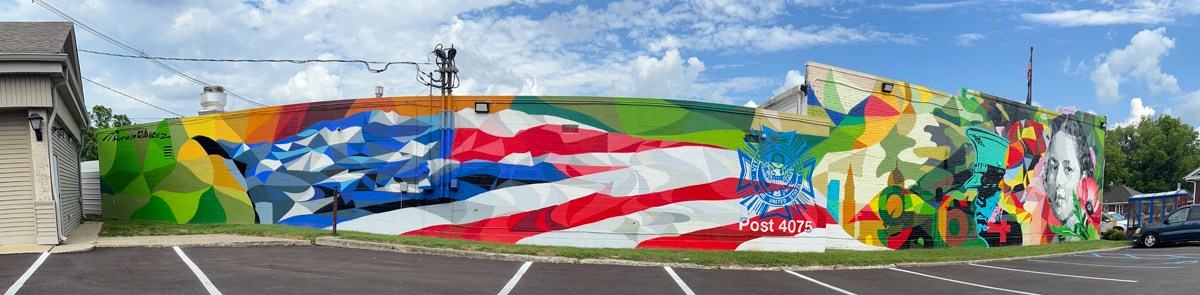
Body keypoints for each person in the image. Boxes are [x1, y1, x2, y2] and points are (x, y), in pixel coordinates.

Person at [1042, 115, 1095, 239]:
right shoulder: (1060, 237)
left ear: (1084, 177)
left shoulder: (1080, 234)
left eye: (1068, 169)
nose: (1058, 180)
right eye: (1053, 167)